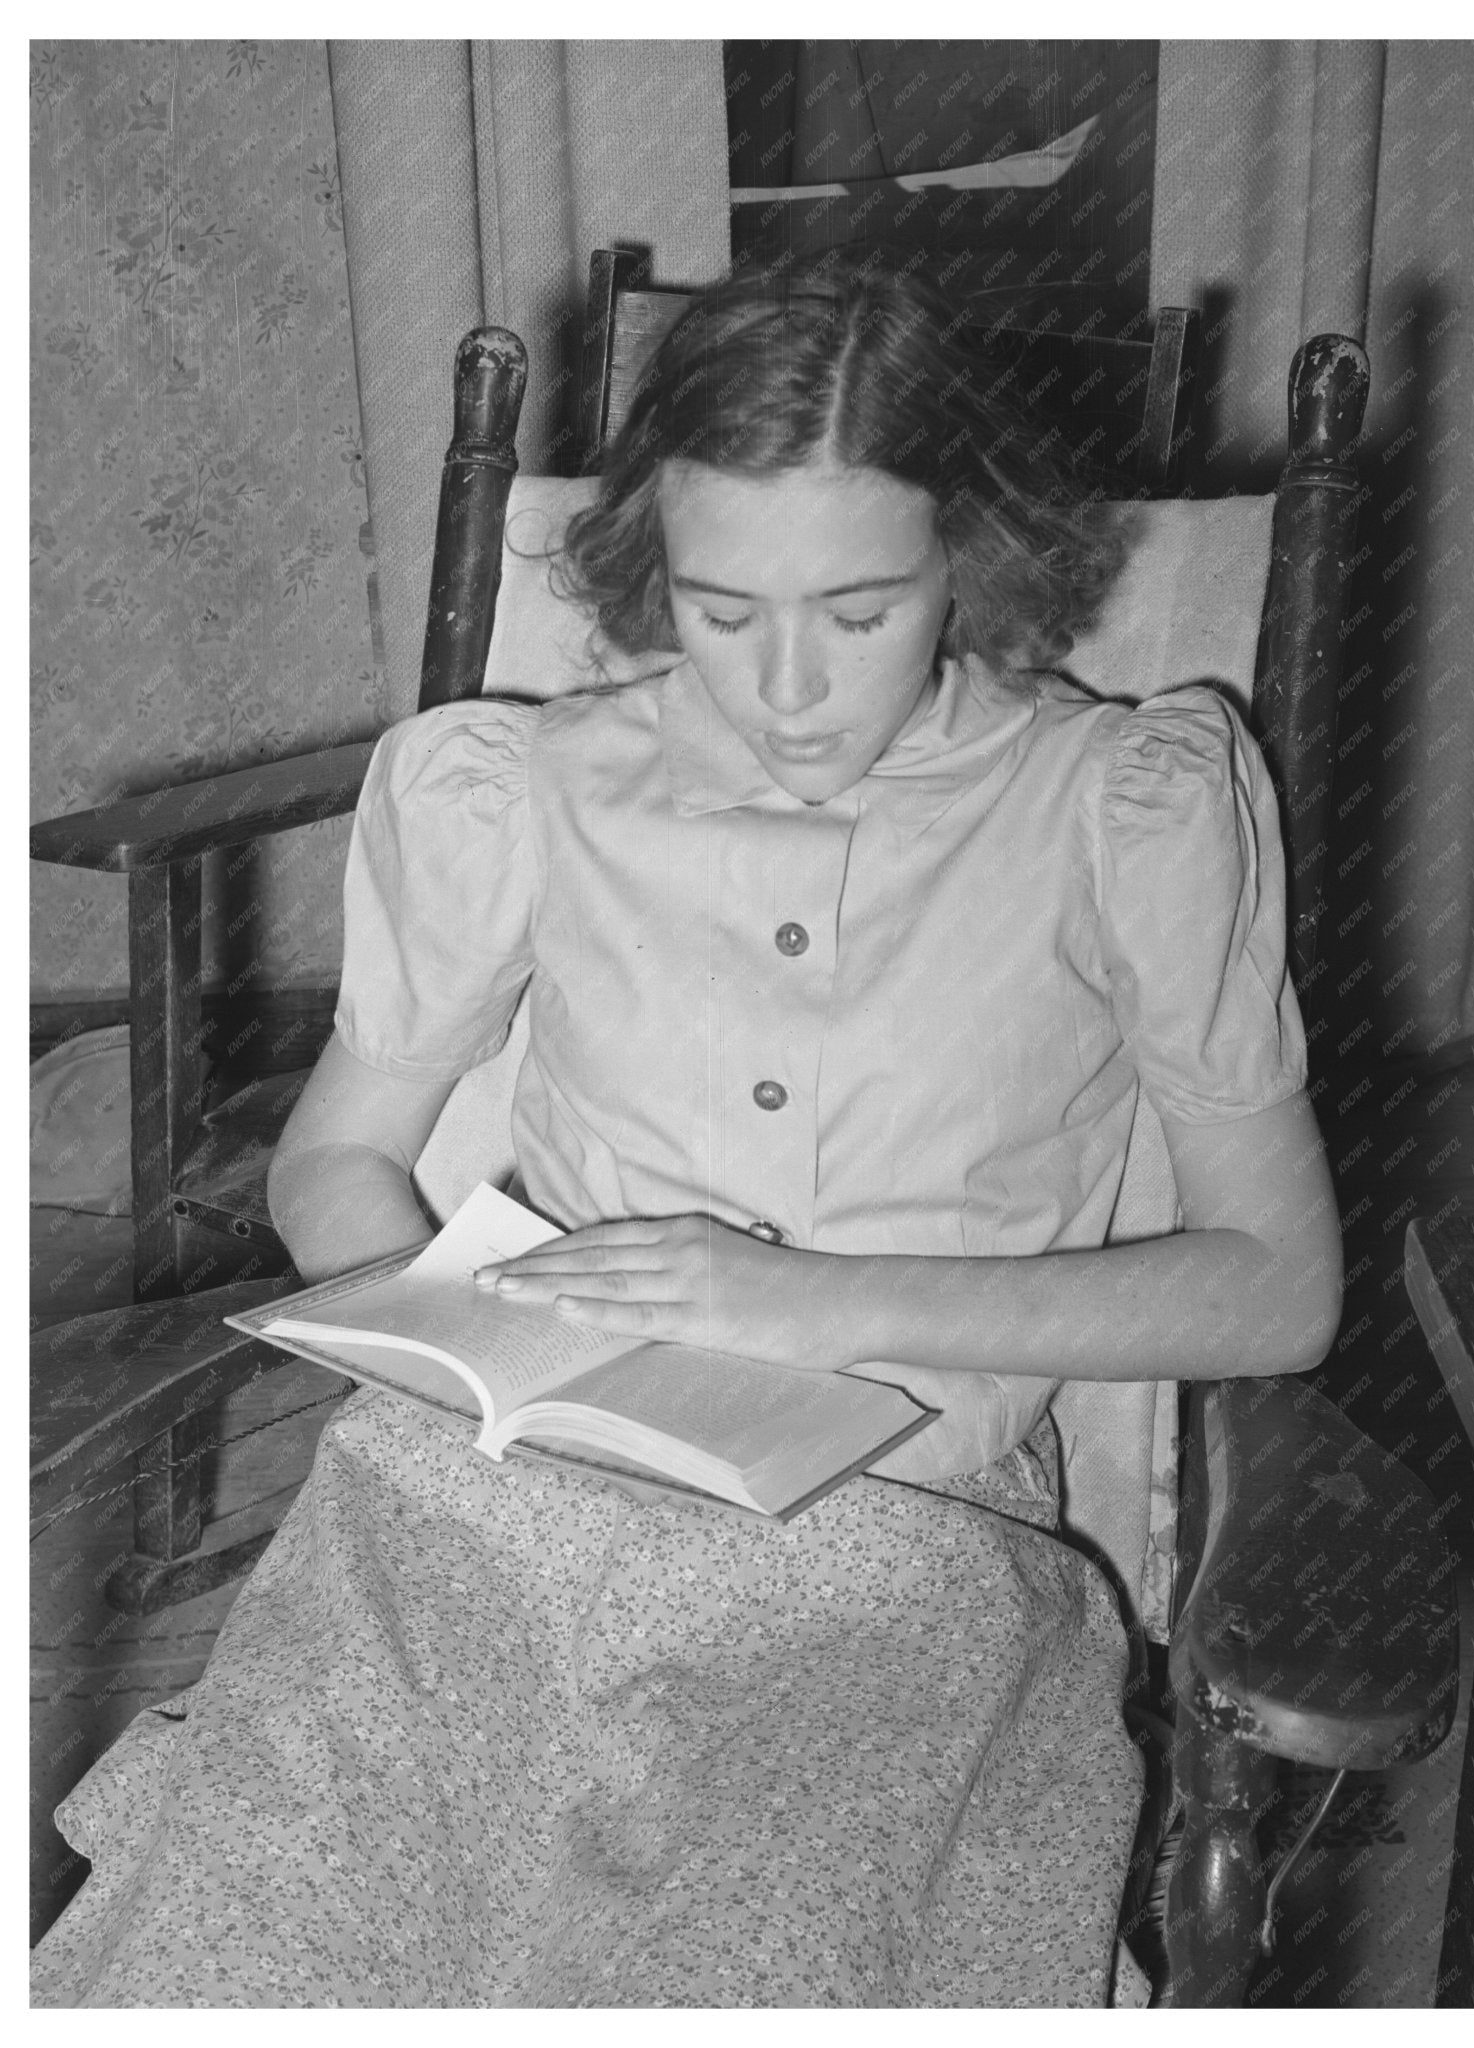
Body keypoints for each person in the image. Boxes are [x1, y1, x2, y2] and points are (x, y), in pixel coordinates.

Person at [33, 255, 1342, 2009]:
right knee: (264, 1935)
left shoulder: (1121, 810)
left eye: (860, 613)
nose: (787, 686)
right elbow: (334, 1156)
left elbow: (1278, 1289)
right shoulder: (529, 790)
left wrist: (817, 1307)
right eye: (724, 614)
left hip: (894, 1562)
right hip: (484, 1516)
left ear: (975, 545)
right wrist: (446, 1330)